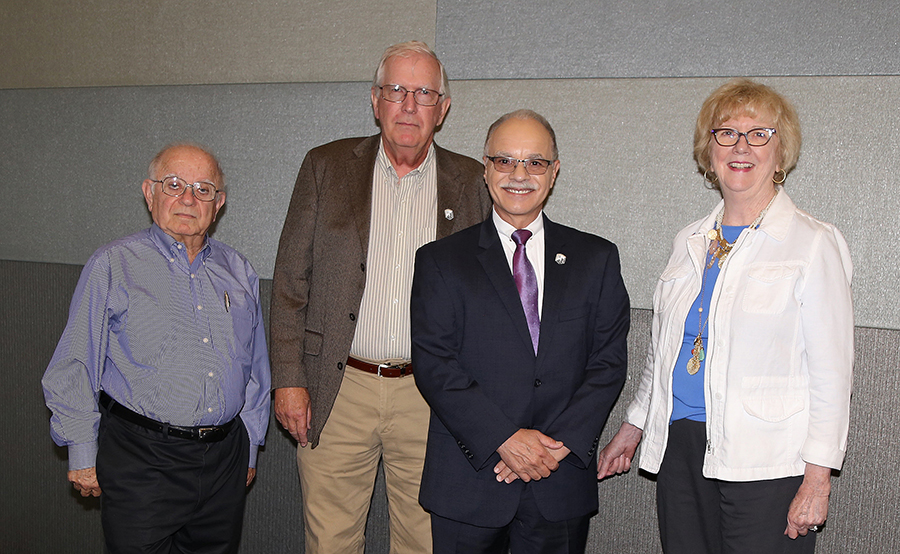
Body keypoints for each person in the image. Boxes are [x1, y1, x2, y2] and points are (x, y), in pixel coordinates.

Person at [597, 79, 854, 554]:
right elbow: (665, 350)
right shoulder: (689, 240)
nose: (741, 146)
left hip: (766, 463)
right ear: (708, 149)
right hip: (682, 446)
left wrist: (818, 479)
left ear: (781, 152)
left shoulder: (814, 242)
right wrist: (635, 425)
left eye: (759, 134)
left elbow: (832, 373)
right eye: (727, 133)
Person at [269, 41, 491, 553]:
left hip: (432, 396)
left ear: (443, 108)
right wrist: (289, 380)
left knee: (426, 540)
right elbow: (289, 282)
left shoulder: (473, 183)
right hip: (337, 387)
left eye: (424, 93)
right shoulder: (325, 166)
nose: (409, 105)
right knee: (331, 542)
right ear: (375, 100)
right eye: (396, 90)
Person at [411, 109, 630, 553]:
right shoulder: (440, 260)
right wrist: (504, 439)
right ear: (486, 169)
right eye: (505, 160)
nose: (519, 174)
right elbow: (435, 364)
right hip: (470, 481)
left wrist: (555, 446)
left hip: (559, 481)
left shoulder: (597, 259)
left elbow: (607, 363)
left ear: (554, 173)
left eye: (535, 162)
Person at [42, 143, 271, 553]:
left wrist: (250, 447)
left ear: (218, 204)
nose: (188, 198)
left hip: (224, 462)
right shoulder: (113, 264)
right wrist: (81, 449)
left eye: (203, 189)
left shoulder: (240, 271)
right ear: (150, 193)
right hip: (142, 460)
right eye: (174, 184)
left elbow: (255, 369)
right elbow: (76, 362)